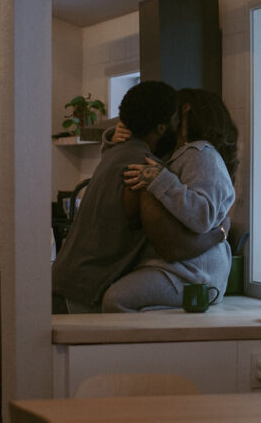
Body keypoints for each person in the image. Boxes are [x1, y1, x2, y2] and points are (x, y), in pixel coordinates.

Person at [52, 81, 226, 313]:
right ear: (162, 127)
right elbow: (171, 244)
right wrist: (218, 234)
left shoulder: (125, 156)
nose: (177, 123)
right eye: (175, 117)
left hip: (68, 282)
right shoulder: (144, 166)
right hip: (81, 290)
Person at [101, 88, 238, 312]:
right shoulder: (178, 155)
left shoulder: (202, 153)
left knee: (115, 300)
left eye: (174, 114)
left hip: (194, 274)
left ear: (186, 116)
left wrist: (161, 180)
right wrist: (115, 142)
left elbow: (203, 216)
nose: (168, 120)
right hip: (174, 268)